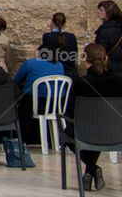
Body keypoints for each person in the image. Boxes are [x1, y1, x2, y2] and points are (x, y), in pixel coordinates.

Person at [65, 43, 122, 191]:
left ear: (86, 61)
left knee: (67, 134)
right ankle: (90, 172)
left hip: (86, 132)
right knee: (99, 129)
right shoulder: (119, 82)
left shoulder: (80, 83)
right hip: (116, 132)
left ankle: (92, 168)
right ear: (106, 58)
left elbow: (69, 113)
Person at [13, 44, 64, 144]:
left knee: (22, 104)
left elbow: (16, 81)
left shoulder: (30, 63)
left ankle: (23, 138)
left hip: (35, 102)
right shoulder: (59, 65)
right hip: (56, 103)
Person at [43, 12, 79, 79]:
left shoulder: (47, 36)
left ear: (52, 23)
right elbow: (75, 55)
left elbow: (44, 56)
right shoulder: (72, 37)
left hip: (53, 74)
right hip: (70, 74)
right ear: (64, 24)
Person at [94, 0, 122, 75]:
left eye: (101, 10)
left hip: (109, 68)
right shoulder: (119, 27)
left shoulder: (104, 31)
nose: (98, 12)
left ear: (109, 12)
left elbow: (100, 52)